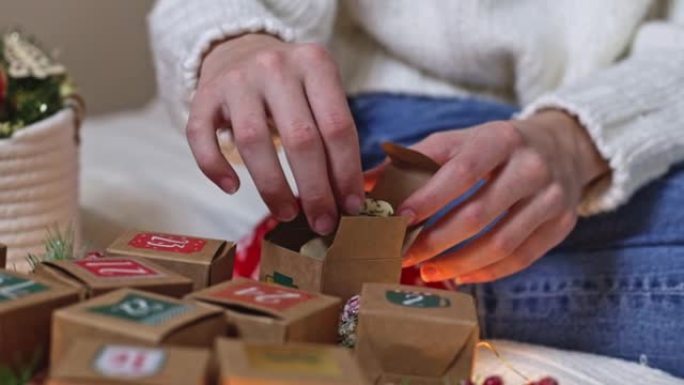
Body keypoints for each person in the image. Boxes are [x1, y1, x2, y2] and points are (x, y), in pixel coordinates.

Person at [149, 0, 684, 376]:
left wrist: (577, 138)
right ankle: (345, 271)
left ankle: (332, 273)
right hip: (404, 127)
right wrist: (232, 41)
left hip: (623, 121)